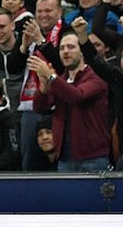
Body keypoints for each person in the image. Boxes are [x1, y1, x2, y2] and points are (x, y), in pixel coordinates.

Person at [28, 29, 111, 172]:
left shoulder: (96, 77)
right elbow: (40, 108)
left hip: (93, 158)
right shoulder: (61, 80)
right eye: (61, 48)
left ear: (82, 51)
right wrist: (43, 87)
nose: (65, 51)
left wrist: (51, 76)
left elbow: (77, 96)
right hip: (65, 158)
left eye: (71, 47)